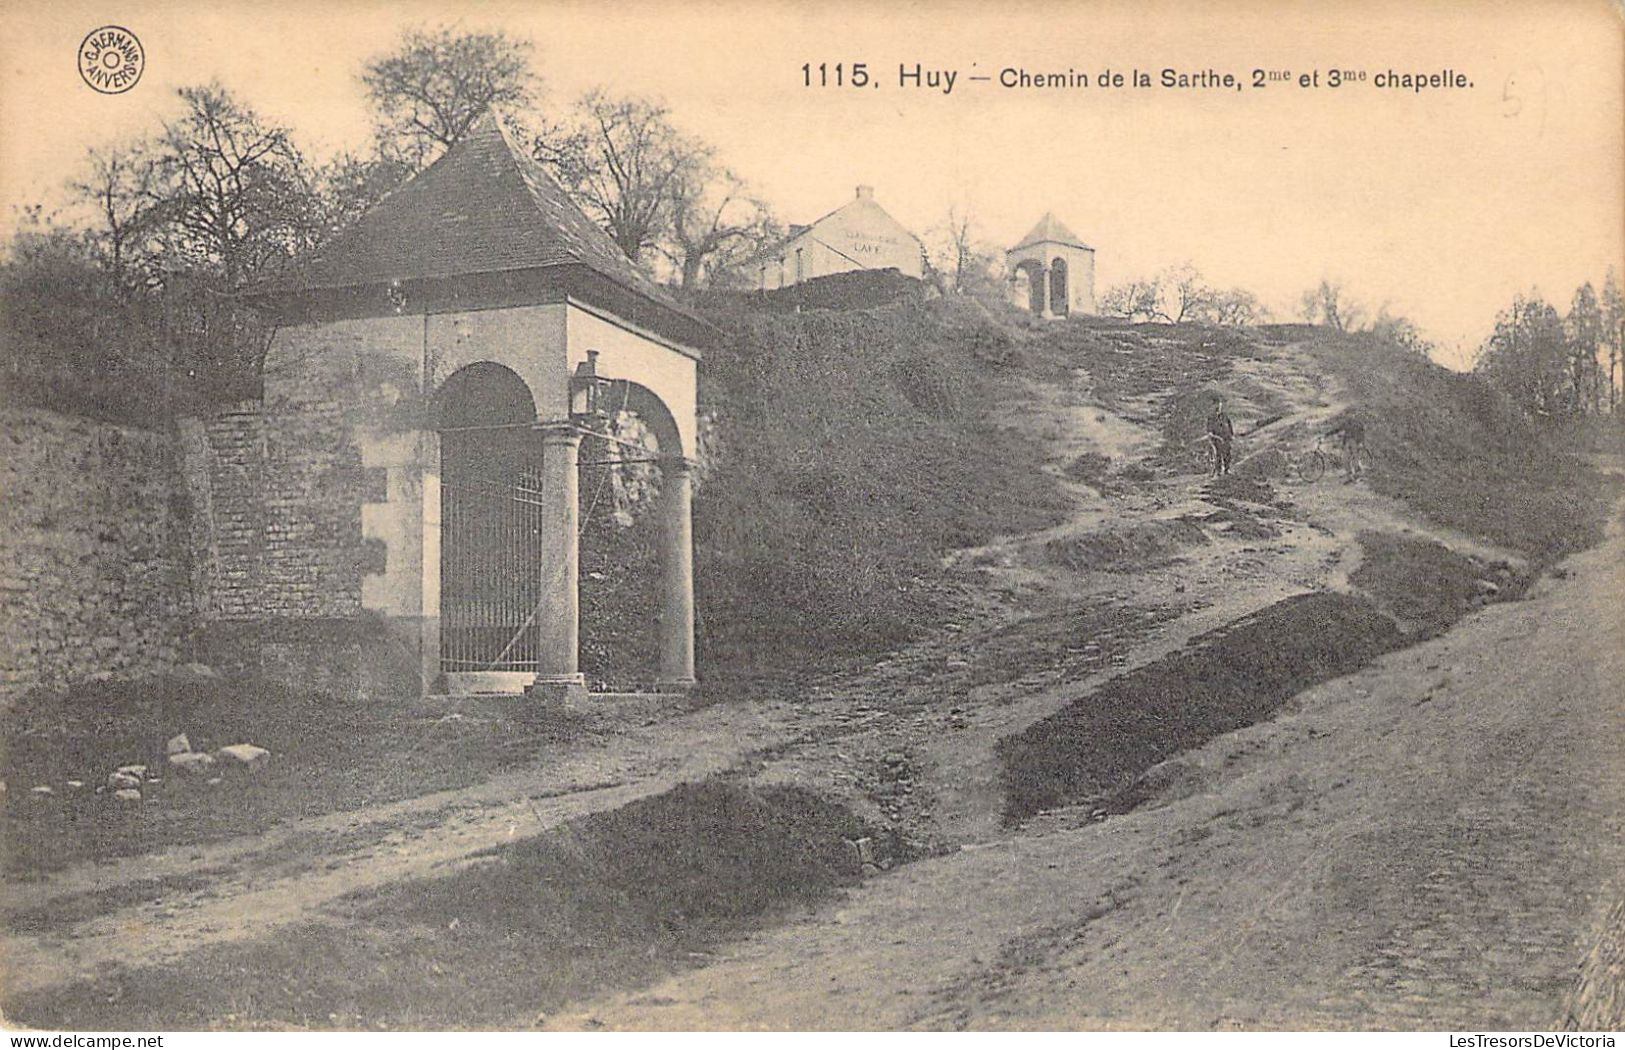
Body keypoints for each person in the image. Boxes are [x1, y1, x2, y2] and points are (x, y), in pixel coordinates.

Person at [1325, 411, 1368, 480]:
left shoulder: (1357, 424)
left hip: (1355, 442)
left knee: (1354, 459)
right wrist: (1327, 434)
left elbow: (1362, 433)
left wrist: (1361, 443)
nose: (1347, 417)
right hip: (1348, 443)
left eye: (1349, 415)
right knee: (1345, 460)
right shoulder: (1346, 423)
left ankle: (1357, 475)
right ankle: (1351, 475)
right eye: (1346, 415)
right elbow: (1338, 429)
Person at [1205, 397, 1235, 477]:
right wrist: (1211, 434)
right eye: (1217, 406)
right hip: (1217, 438)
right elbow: (1209, 428)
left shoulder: (1225, 416)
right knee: (1218, 453)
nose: (1218, 408)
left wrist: (1231, 434)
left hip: (1226, 437)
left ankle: (1227, 469)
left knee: (1228, 453)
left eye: (1220, 406)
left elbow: (1229, 425)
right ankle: (1218, 471)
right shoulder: (1211, 417)